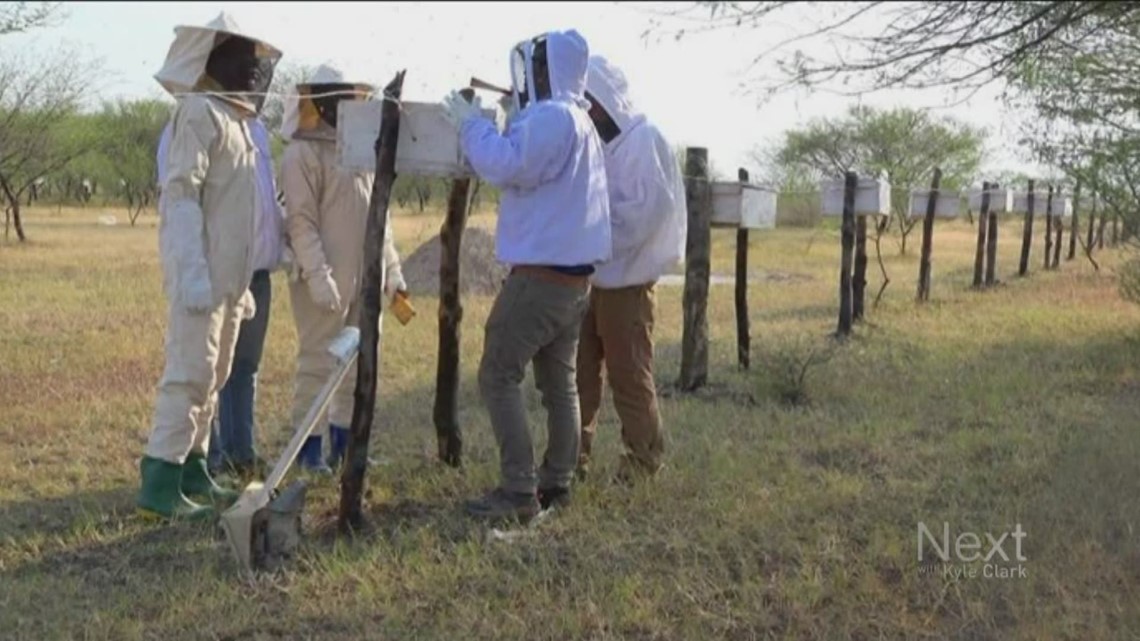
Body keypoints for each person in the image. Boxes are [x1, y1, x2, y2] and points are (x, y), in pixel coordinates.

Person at [441, 29, 612, 522]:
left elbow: (505, 164)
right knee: (559, 384)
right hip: (573, 284)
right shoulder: (578, 121)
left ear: (550, 68)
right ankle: (557, 480)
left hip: (540, 280)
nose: (529, 76)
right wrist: (502, 121)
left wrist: (472, 125)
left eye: (537, 66)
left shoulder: (554, 117)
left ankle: (519, 491)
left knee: (497, 373)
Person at [138, 12, 281, 521]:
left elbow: (238, 213)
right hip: (199, 280)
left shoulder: (239, 124)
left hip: (229, 283)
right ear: (214, 57)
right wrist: (192, 273)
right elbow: (181, 197)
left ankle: (194, 469)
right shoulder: (197, 113)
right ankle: (159, 481)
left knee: (215, 376)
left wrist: (239, 284)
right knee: (189, 374)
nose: (254, 67)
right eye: (244, 54)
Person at [280, 64, 408, 475]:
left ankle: (345, 445)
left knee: (358, 365)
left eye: (349, 97)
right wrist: (318, 275)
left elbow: (380, 220)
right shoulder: (301, 154)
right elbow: (300, 222)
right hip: (322, 282)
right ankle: (308, 453)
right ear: (317, 102)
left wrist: (392, 272)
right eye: (335, 98)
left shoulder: (361, 152)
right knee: (317, 364)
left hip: (364, 282)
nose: (344, 106)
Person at [156, 115, 288, 481]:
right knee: (202, 372)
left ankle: (239, 453)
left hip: (252, 273)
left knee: (240, 367)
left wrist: (279, 244)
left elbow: (260, 199)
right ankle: (201, 461)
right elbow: (180, 200)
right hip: (209, 276)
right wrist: (193, 272)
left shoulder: (254, 131)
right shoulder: (189, 124)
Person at [576, 55, 687, 483]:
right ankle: (571, 461)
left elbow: (648, 213)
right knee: (578, 375)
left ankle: (642, 465)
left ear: (604, 97)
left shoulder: (644, 140)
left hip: (628, 283)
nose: (586, 109)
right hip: (588, 277)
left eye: (589, 100)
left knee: (629, 376)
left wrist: (593, 228)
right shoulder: (595, 143)